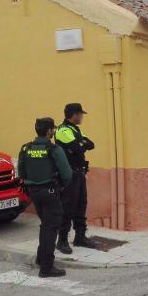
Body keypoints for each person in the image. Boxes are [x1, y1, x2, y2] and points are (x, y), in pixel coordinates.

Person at [18, 118, 72, 278]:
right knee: (51, 228)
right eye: (53, 128)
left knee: (46, 225)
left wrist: (30, 184)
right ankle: (46, 268)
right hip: (49, 192)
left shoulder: (26, 148)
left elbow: (21, 171)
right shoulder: (53, 149)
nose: (54, 131)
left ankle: (41, 259)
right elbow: (67, 174)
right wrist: (60, 187)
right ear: (49, 131)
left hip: (34, 192)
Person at [55, 103, 97, 254]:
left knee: (81, 204)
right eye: (81, 114)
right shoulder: (63, 130)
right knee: (68, 206)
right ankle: (62, 240)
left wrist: (80, 144)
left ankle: (80, 237)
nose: (82, 117)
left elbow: (91, 144)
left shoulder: (75, 129)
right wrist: (80, 144)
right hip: (69, 174)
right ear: (74, 114)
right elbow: (78, 147)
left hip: (79, 173)